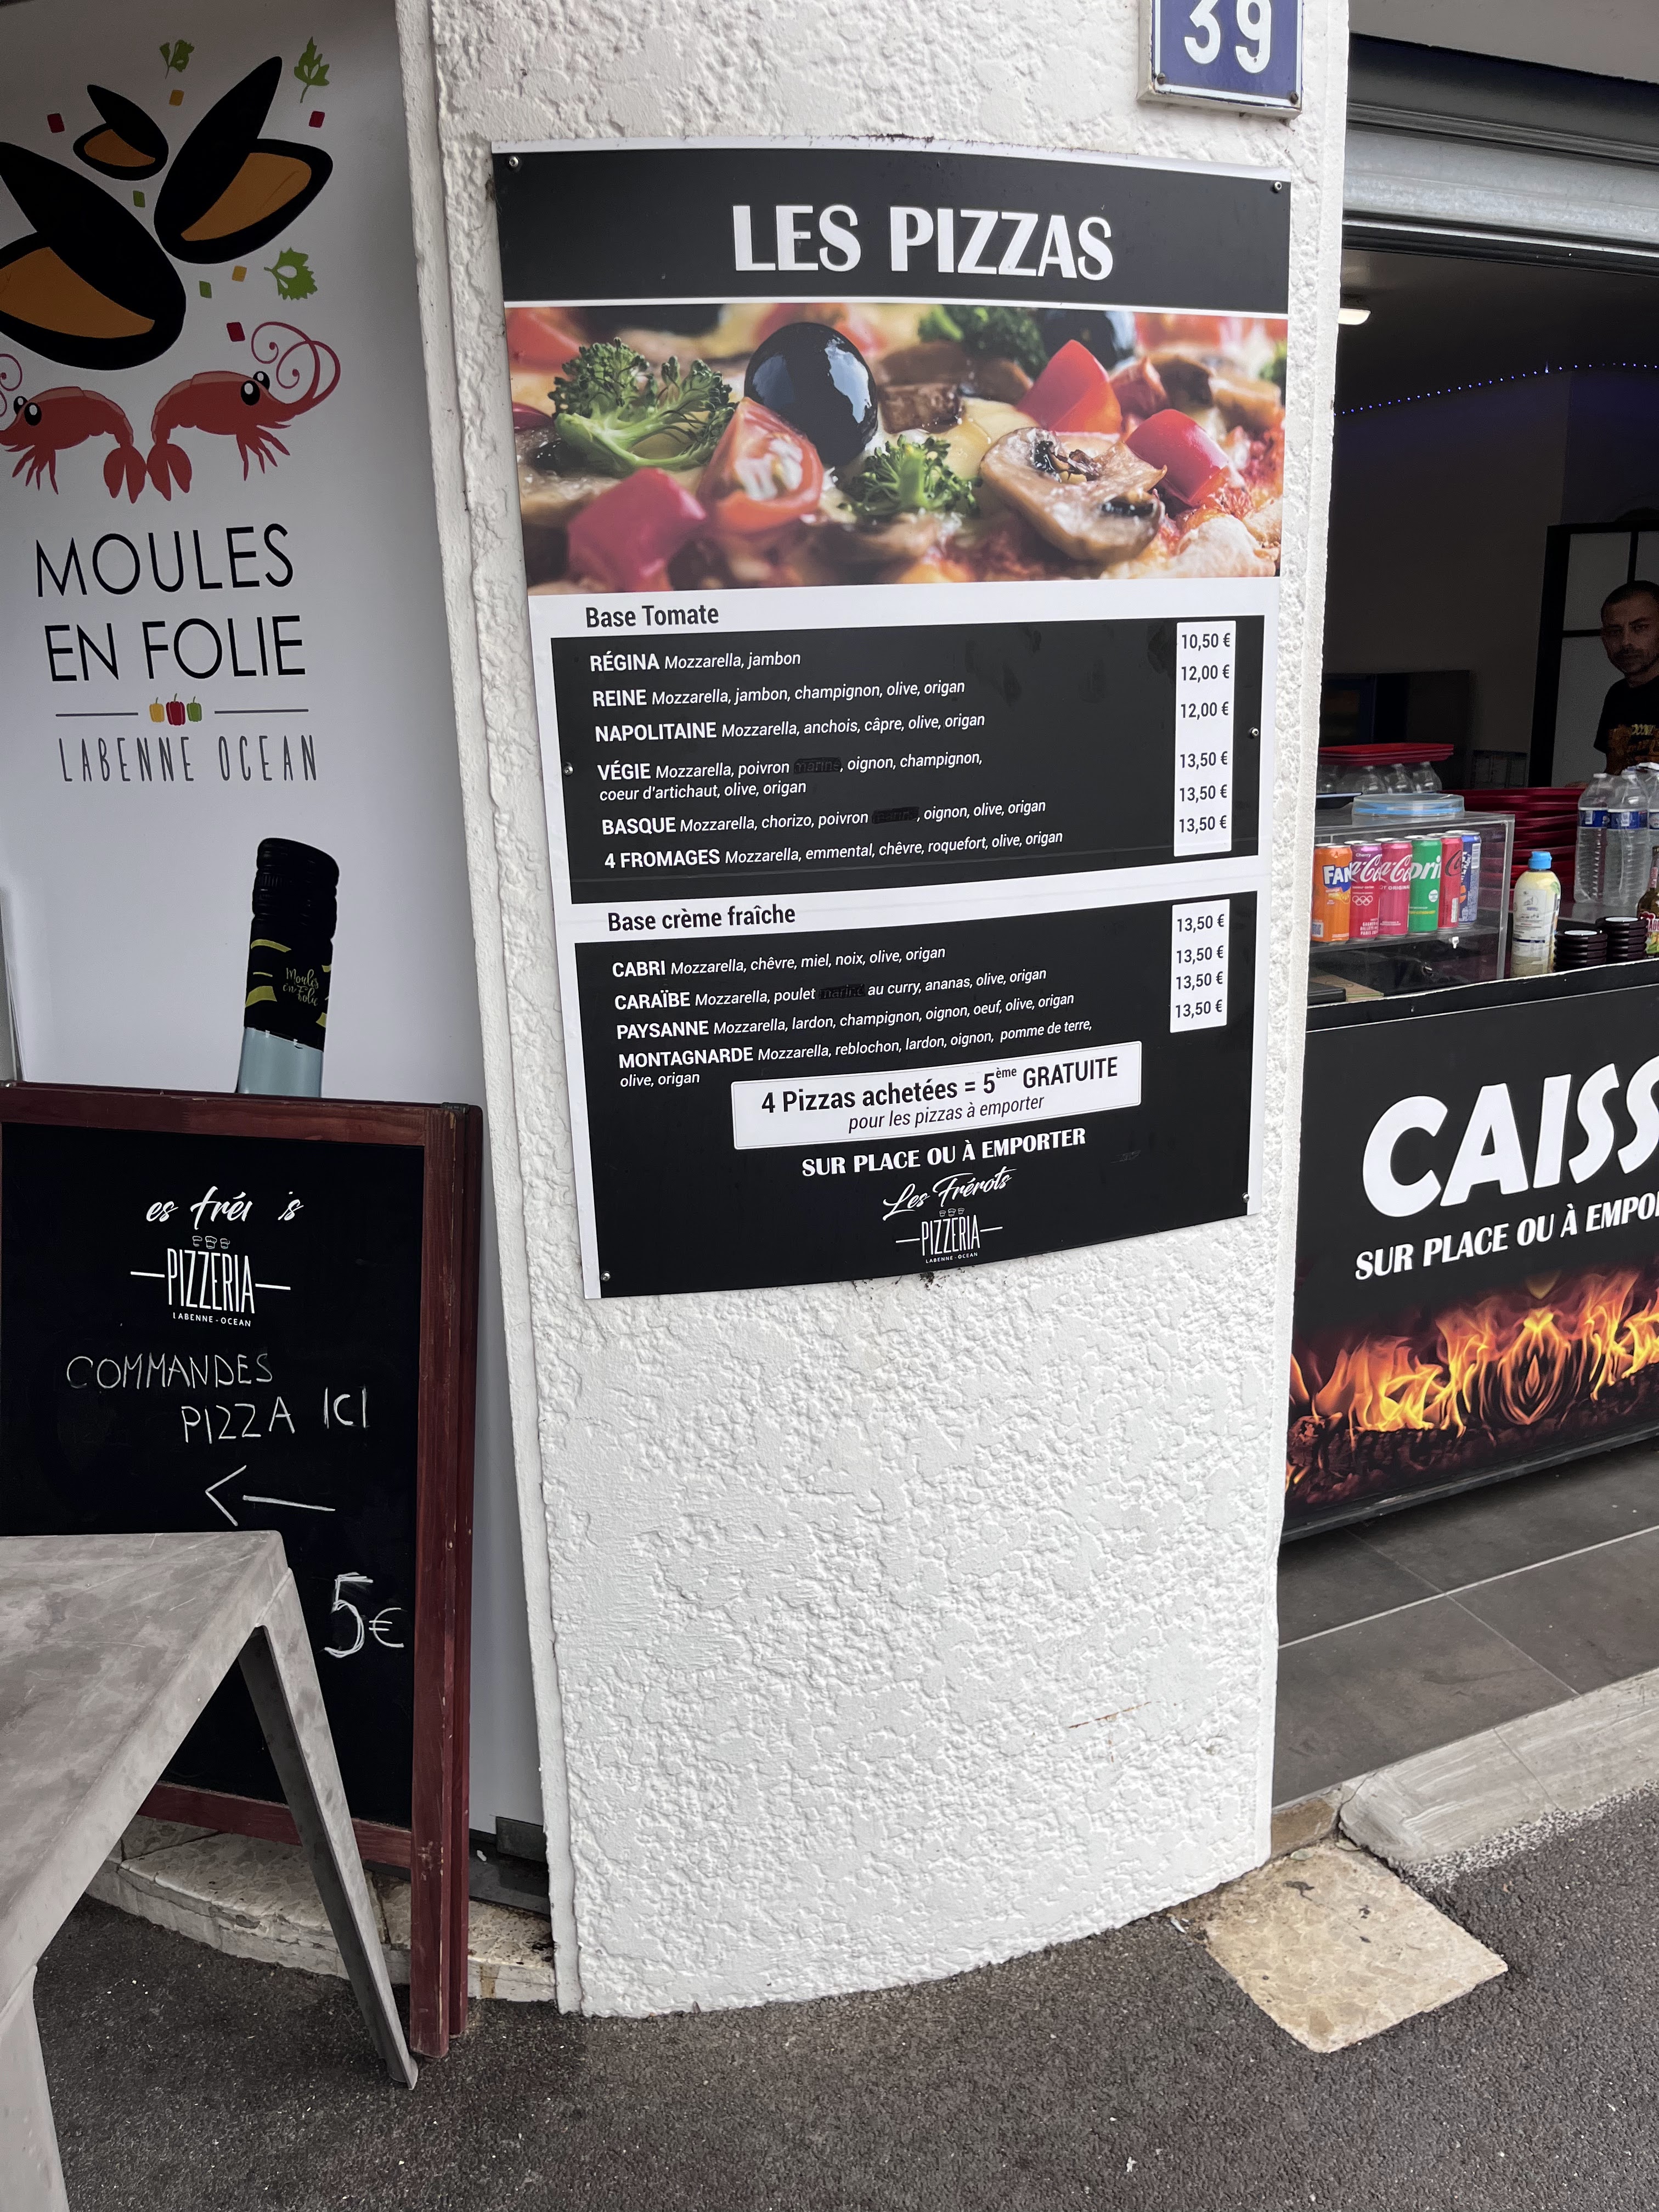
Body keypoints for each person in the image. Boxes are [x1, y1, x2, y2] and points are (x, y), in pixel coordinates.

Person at [1596, 580, 1659, 770]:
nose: (1625, 642)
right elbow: (1614, 772)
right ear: (1604, 639)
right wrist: (1598, 786)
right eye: (1615, 632)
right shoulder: (1617, 695)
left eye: (1640, 628)